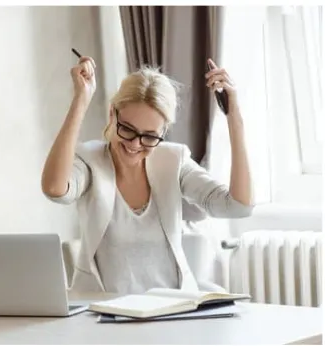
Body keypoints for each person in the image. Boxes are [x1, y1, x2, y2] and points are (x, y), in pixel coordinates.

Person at [41, 55, 254, 294]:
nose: (134, 144)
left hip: (170, 312)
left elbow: (238, 206)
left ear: (164, 131)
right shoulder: (90, 160)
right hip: (103, 315)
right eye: (127, 129)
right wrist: (81, 100)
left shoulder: (173, 161)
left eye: (150, 136)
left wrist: (234, 117)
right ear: (113, 114)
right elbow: (55, 189)